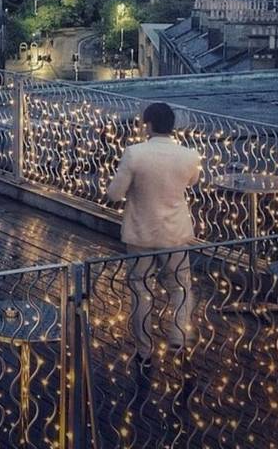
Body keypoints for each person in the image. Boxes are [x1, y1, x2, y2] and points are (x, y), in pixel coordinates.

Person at [106, 102, 201, 368]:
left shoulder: (134, 154)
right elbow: (191, 182)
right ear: (172, 126)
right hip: (175, 232)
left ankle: (145, 351)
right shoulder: (189, 155)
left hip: (141, 233)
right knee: (180, 287)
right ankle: (178, 335)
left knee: (141, 289)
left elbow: (114, 193)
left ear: (147, 124)